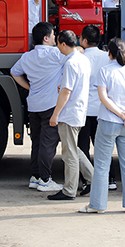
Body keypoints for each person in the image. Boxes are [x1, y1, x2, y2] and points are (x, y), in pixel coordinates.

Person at [79, 38, 125, 214]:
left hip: (108, 122)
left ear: (109, 52)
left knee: (102, 165)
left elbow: (103, 97)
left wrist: (119, 114)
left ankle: (97, 205)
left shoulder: (105, 71)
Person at [11, 21, 64, 192]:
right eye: (53, 34)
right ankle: (45, 179)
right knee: (49, 144)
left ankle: (35, 176)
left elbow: (14, 72)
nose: (55, 37)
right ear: (46, 38)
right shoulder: (56, 54)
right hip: (50, 105)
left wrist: (29, 87)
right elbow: (73, 57)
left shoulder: (27, 56)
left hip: (33, 105)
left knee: (37, 142)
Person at [48, 30, 94, 200]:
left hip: (69, 112)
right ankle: (93, 180)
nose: (56, 46)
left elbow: (66, 92)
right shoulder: (83, 59)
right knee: (75, 149)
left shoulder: (70, 63)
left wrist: (55, 114)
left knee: (69, 154)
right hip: (80, 109)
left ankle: (69, 190)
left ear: (63, 44)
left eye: (57, 43)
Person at [77, 25, 116, 190]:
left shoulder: (79, 57)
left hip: (83, 109)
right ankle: (110, 179)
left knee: (83, 146)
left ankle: (87, 180)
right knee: (103, 146)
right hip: (102, 108)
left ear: (84, 40)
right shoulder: (107, 57)